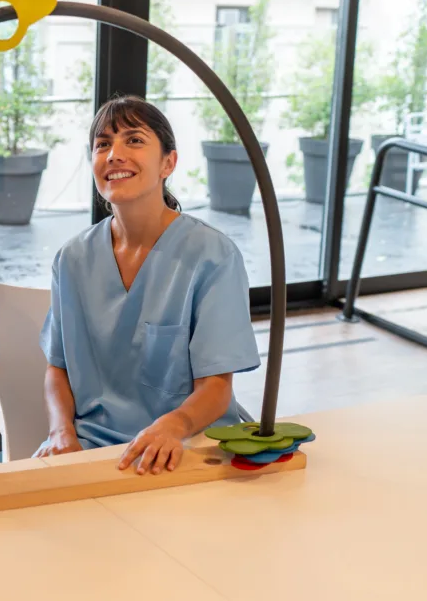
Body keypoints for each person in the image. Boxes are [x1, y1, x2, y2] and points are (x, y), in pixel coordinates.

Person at [34, 95, 260, 476]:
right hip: (92, 445)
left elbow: (217, 387)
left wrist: (173, 426)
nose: (114, 154)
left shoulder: (212, 255)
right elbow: (57, 369)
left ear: (168, 163)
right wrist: (61, 431)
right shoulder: (72, 259)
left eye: (134, 140)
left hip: (190, 440)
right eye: (103, 144)